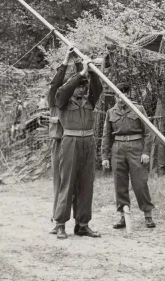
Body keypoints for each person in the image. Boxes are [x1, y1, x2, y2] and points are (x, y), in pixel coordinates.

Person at [52, 58, 102, 239]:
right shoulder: (63, 101)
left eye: (84, 86)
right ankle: (60, 224)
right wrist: (80, 73)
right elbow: (63, 89)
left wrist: (92, 70)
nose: (82, 89)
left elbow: (98, 87)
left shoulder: (90, 101)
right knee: (68, 182)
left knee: (86, 184)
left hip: (88, 142)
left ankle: (82, 224)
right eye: (79, 86)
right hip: (70, 142)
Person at [101, 82, 156, 229]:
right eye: (117, 95)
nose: (120, 99)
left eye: (123, 95)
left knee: (140, 183)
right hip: (117, 149)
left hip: (136, 148)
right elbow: (106, 135)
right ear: (114, 96)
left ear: (128, 95)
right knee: (120, 183)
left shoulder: (138, 109)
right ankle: (123, 216)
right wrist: (105, 156)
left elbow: (148, 132)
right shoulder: (111, 112)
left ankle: (148, 215)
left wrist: (145, 152)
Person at [47, 47, 82, 234]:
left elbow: (84, 79)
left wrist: (78, 62)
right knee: (60, 183)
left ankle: (80, 223)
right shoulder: (55, 100)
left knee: (78, 183)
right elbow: (55, 84)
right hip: (59, 143)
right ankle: (58, 221)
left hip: (76, 142)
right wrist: (66, 60)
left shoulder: (74, 101)